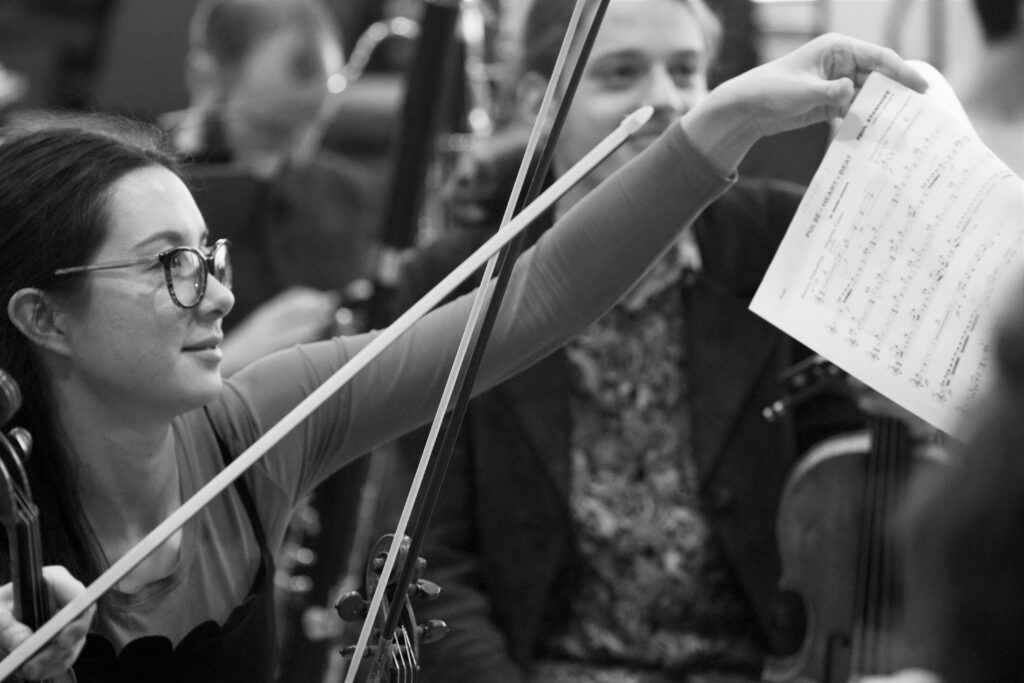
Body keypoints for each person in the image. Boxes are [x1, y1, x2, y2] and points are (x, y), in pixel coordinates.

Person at [0, 33, 926, 682]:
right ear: (43, 316)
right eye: (170, 266)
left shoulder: (257, 428)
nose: (220, 295)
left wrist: (722, 123)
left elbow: (531, 301)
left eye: (211, 256)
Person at [388, 1, 875, 681]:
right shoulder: (452, 280)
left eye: (686, 70)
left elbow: (851, 492)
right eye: (620, 74)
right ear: (539, 102)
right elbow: (430, 560)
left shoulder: (779, 238)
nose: (667, 101)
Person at [164, 0, 386, 376]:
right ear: (204, 79)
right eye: (272, 131)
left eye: (315, 124)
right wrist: (227, 360)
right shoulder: (136, 200)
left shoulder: (351, 194)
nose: (297, 155)